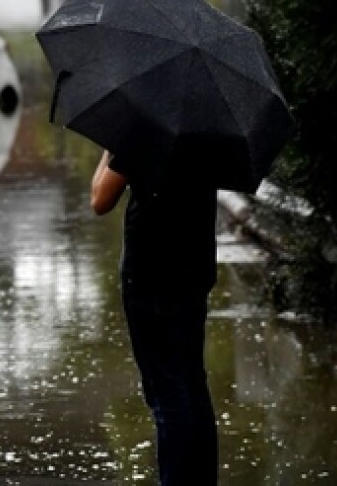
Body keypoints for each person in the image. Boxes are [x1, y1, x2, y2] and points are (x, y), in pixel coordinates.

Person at [91, 149, 219, 486]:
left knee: (167, 393)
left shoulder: (144, 127)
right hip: (194, 266)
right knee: (191, 383)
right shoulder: (207, 122)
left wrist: (111, 147)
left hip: (152, 273)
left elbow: (100, 198)